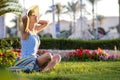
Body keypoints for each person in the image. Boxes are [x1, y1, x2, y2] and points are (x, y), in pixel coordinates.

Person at [10, 5, 61, 73]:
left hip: (35, 58)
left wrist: (35, 20)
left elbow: (46, 23)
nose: (36, 16)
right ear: (29, 18)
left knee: (57, 57)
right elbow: (24, 19)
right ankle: (38, 69)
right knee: (48, 55)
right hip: (27, 60)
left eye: (36, 15)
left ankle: (43, 71)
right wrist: (28, 15)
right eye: (33, 15)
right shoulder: (26, 32)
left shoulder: (35, 30)